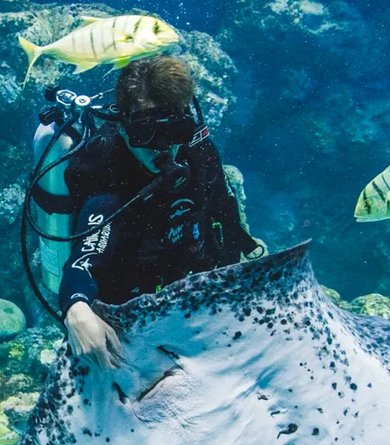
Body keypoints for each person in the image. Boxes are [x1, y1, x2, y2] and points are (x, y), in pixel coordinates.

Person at [59, 55, 265, 369]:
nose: (163, 148)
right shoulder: (106, 166)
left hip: (190, 295)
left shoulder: (198, 151)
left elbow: (225, 217)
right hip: (126, 312)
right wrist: (77, 308)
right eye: (146, 133)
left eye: (175, 131)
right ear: (125, 127)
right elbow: (87, 255)